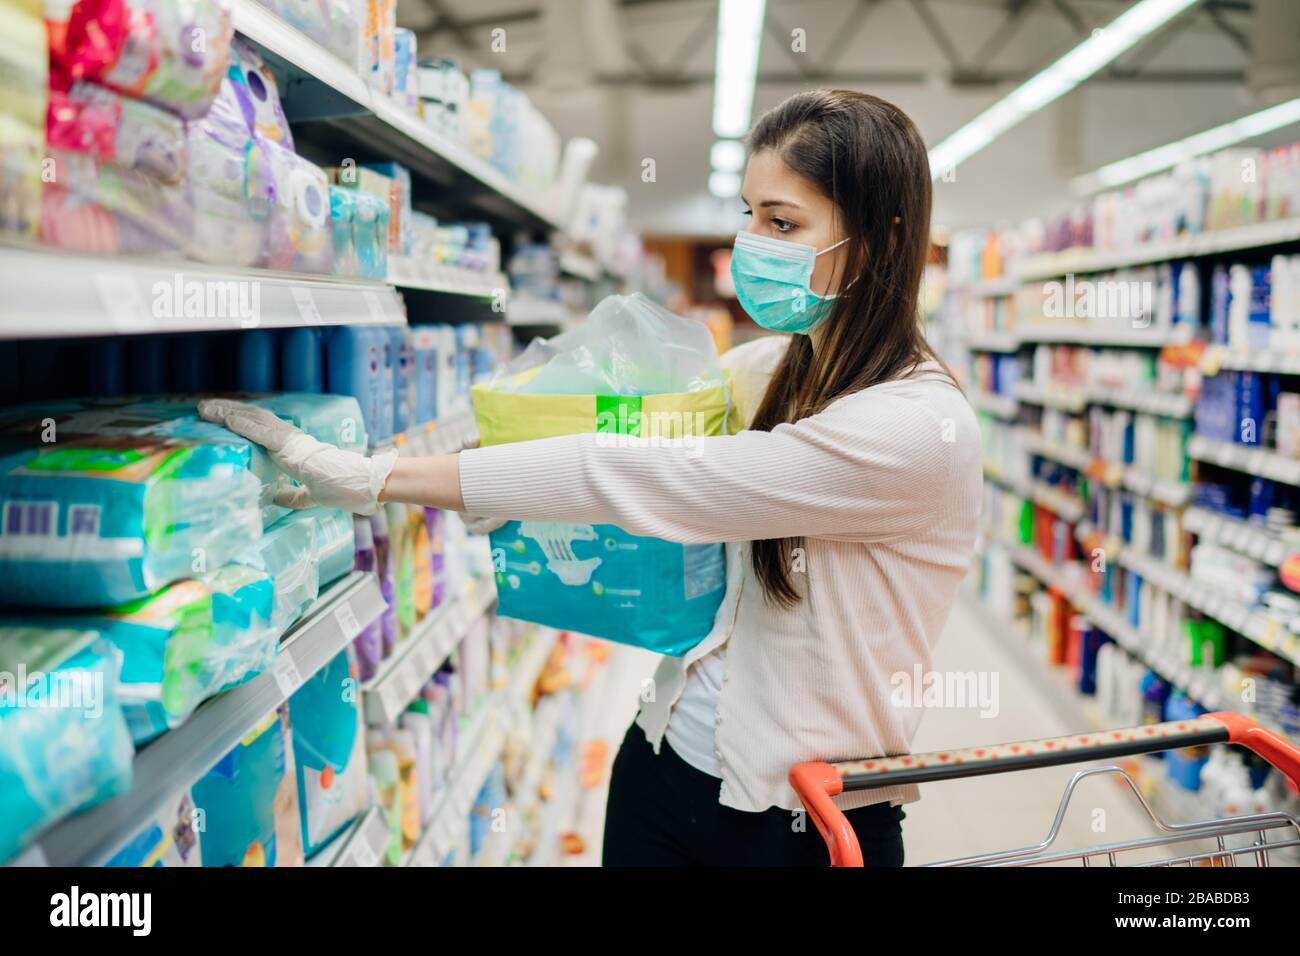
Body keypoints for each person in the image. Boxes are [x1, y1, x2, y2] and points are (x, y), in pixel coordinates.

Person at [199, 89, 982, 868]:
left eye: (782, 222)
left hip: (804, 822)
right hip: (664, 765)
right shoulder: (781, 365)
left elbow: (645, 473)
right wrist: (486, 438)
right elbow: (609, 420)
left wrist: (376, 477)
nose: (752, 243)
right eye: (748, 215)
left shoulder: (916, 432)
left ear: (881, 240)